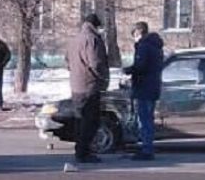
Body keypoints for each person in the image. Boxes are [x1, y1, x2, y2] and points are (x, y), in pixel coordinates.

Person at [65, 13, 110, 168]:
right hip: (89, 86)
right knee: (91, 121)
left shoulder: (74, 39)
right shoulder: (92, 39)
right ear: (95, 26)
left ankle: (79, 150)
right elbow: (95, 64)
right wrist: (104, 78)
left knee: (79, 120)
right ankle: (84, 152)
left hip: (76, 86)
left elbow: (67, 62)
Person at [121, 21, 165, 161]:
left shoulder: (144, 46)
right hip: (153, 87)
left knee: (144, 120)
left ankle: (146, 149)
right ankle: (147, 147)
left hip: (144, 87)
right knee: (148, 119)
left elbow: (140, 67)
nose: (134, 38)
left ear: (138, 33)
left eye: (134, 35)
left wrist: (128, 70)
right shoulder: (156, 46)